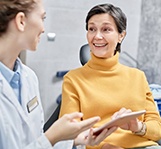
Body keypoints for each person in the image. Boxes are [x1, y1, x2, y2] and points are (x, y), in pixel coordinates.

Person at [0, 0, 117, 149]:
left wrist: (74, 140)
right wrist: (53, 136)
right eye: (42, 18)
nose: (43, 29)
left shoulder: (29, 77)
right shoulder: (73, 79)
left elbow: (35, 141)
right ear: (21, 21)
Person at [59, 3, 161, 149]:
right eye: (92, 29)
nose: (97, 36)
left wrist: (137, 126)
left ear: (121, 36)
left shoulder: (138, 77)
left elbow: (158, 129)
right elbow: (67, 134)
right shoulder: (73, 79)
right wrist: (101, 145)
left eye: (106, 29)